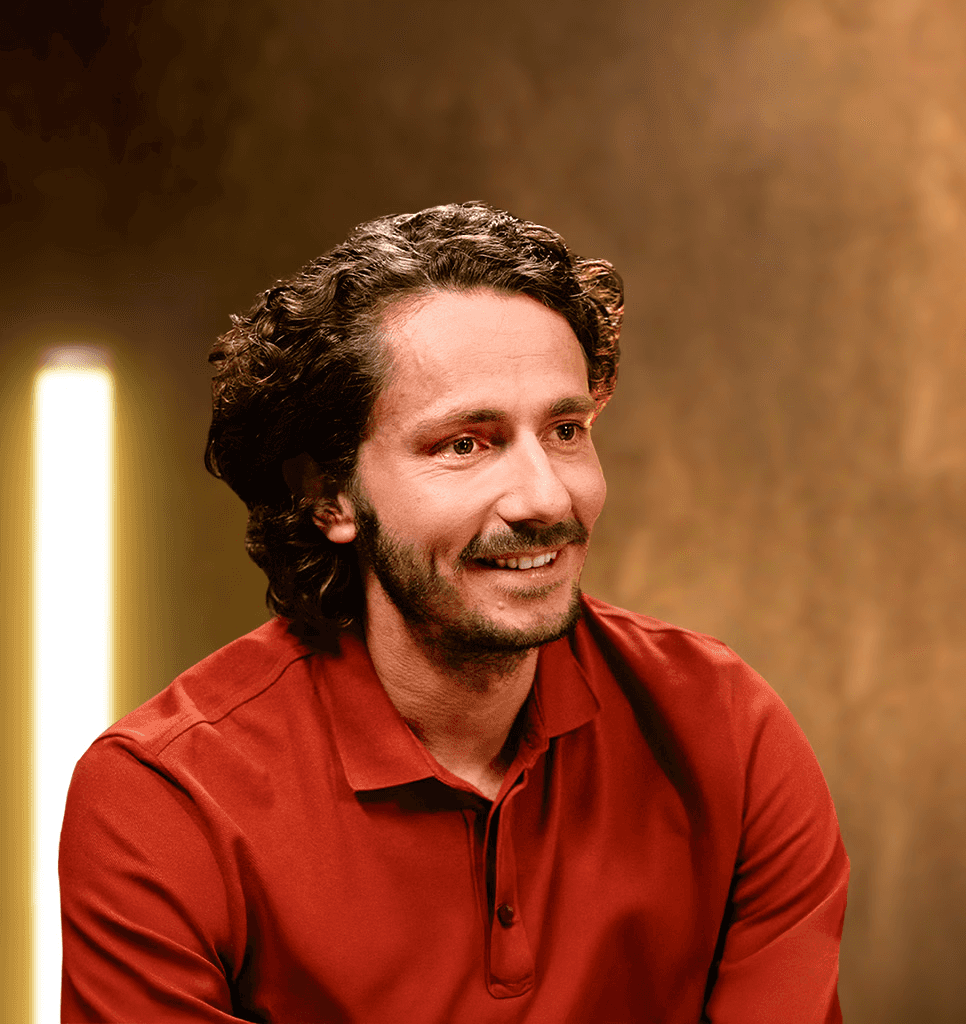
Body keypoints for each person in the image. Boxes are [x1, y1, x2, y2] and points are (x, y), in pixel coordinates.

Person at [58, 202, 849, 1022]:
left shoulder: (726, 730)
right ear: (329, 494)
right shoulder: (162, 800)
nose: (547, 497)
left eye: (567, 429)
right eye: (465, 443)